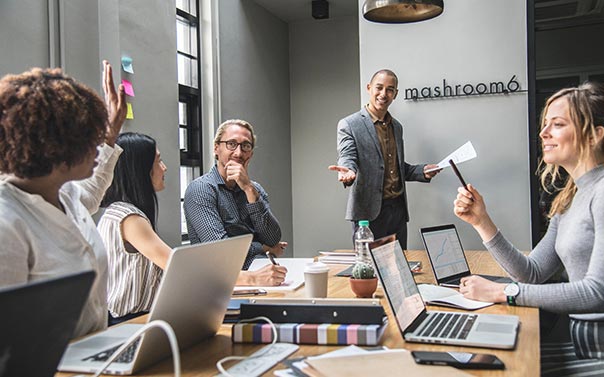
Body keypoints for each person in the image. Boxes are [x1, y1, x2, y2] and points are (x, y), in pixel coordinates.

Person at [453, 82, 604, 376]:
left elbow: (597, 292)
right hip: (581, 342)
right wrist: (481, 221)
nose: (543, 133)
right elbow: (532, 273)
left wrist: (502, 292)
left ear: (596, 134)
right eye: (545, 124)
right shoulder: (571, 196)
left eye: (558, 124)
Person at [0, 61, 127, 338]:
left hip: (94, 353)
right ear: (56, 147)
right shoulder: (7, 223)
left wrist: (111, 135)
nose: (97, 148)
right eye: (89, 140)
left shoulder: (65, 193)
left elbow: (91, 192)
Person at [328, 69, 440, 248]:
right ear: (369, 88)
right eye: (379, 88)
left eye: (389, 89)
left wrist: (422, 171)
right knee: (370, 270)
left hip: (397, 211)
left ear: (395, 94)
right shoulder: (349, 124)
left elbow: (394, 167)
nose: (383, 94)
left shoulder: (396, 127)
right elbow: (347, 156)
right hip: (368, 215)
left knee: (399, 268)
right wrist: (348, 170)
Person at [184, 119, 287, 285]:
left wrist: (248, 189)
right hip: (222, 283)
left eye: (245, 146)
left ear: (251, 154)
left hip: (263, 274)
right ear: (216, 148)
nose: (238, 153)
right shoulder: (201, 190)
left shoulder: (255, 189)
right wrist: (263, 248)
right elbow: (222, 251)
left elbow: (273, 238)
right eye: (231, 144)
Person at [98, 132, 168, 325]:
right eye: (158, 162)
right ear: (140, 169)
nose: (164, 168)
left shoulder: (118, 211)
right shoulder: (128, 218)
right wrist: (250, 279)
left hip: (136, 319)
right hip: (129, 324)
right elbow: (175, 265)